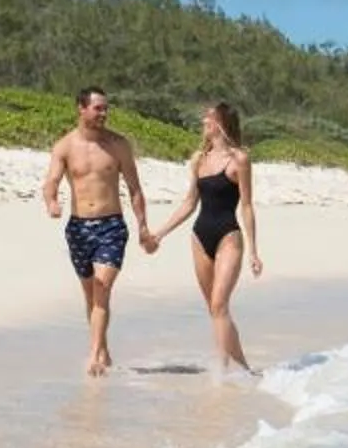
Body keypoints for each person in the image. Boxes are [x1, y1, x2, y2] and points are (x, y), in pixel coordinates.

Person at [39, 86, 153, 375]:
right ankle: (103, 350)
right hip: (78, 228)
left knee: (102, 288)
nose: (104, 113)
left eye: (106, 108)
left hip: (111, 225)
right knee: (91, 296)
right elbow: (51, 181)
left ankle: (93, 358)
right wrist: (52, 202)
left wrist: (142, 227)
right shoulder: (64, 146)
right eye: (98, 108)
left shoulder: (118, 145)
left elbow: (135, 189)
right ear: (81, 108)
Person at [148, 99, 262, 375]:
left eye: (207, 119)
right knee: (214, 308)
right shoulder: (200, 159)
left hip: (228, 236)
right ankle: (244, 368)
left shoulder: (239, 160)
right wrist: (159, 234)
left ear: (220, 122)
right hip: (200, 236)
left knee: (219, 304)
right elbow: (189, 203)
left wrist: (254, 252)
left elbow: (246, 205)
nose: (203, 123)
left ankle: (222, 370)